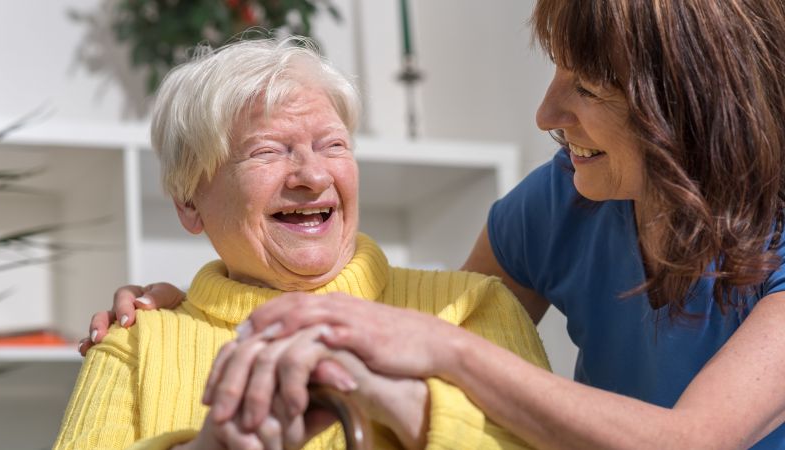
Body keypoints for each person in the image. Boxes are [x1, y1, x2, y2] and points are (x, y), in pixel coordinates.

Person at [88, 0, 785, 448]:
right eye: (268, 150)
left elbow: (696, 441)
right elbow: (436, 341)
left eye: (588, 87)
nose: (545, 113)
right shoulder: (560, 200)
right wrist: (204, 301)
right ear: (187, 201)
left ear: (687, 107)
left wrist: (442, 348)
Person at [54, 37, 550, 450]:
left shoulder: (474, 308)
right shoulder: (137, 342)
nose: (313, 175)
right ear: (189, 203)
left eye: (333, 145)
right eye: (267, 151)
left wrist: (411, 414)